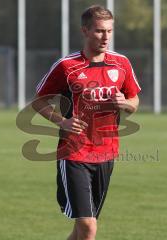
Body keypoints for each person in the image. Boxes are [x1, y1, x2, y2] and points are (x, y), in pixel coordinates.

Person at [33, 5, 141, 240]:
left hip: (107, 153)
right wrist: (62, 122)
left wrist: (126, 104)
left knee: (82, 230)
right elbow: (38, 102)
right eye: (100, 31)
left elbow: (134, 100)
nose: (106, 37)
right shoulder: (66, 66)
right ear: (85, 31)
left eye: (110, 31)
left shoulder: (121, 64)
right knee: (88, 227)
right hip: (74, 153)